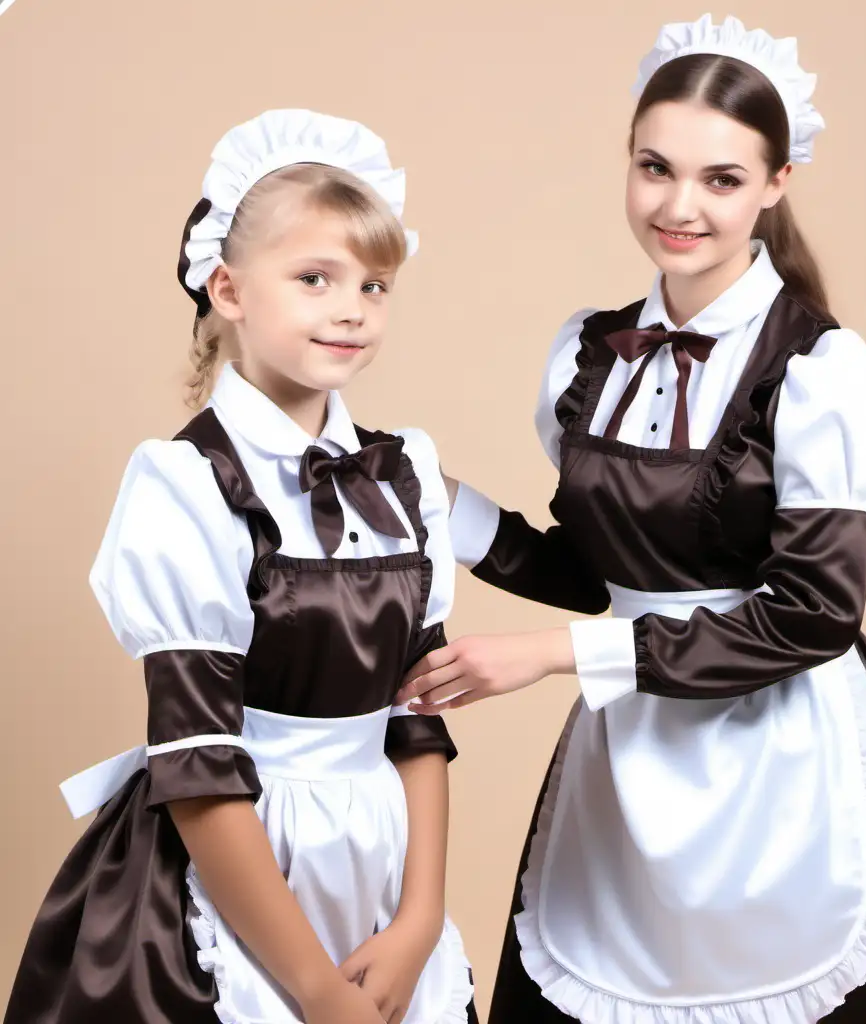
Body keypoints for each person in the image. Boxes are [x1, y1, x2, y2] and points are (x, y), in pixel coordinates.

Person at [398, 17, 866, 1023]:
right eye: (654, 168)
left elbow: (811, 615)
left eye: (721, 179)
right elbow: (607, 576)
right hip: (629, 752)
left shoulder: (822, 373)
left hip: (781, 756)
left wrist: (553, 656)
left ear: (775, 184)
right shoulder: (587, 355)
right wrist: (445, 505)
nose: (679, 206)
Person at [5, 109, 476, 1024]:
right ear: (227, 288)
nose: (352, 308)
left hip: (378, 864)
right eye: (315, 278)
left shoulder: (403, 472)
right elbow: (201, 762)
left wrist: (419, 918)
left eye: (375, 285)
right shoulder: (185, 484)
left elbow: (417, 716)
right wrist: (310, 988)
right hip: (238, 860)